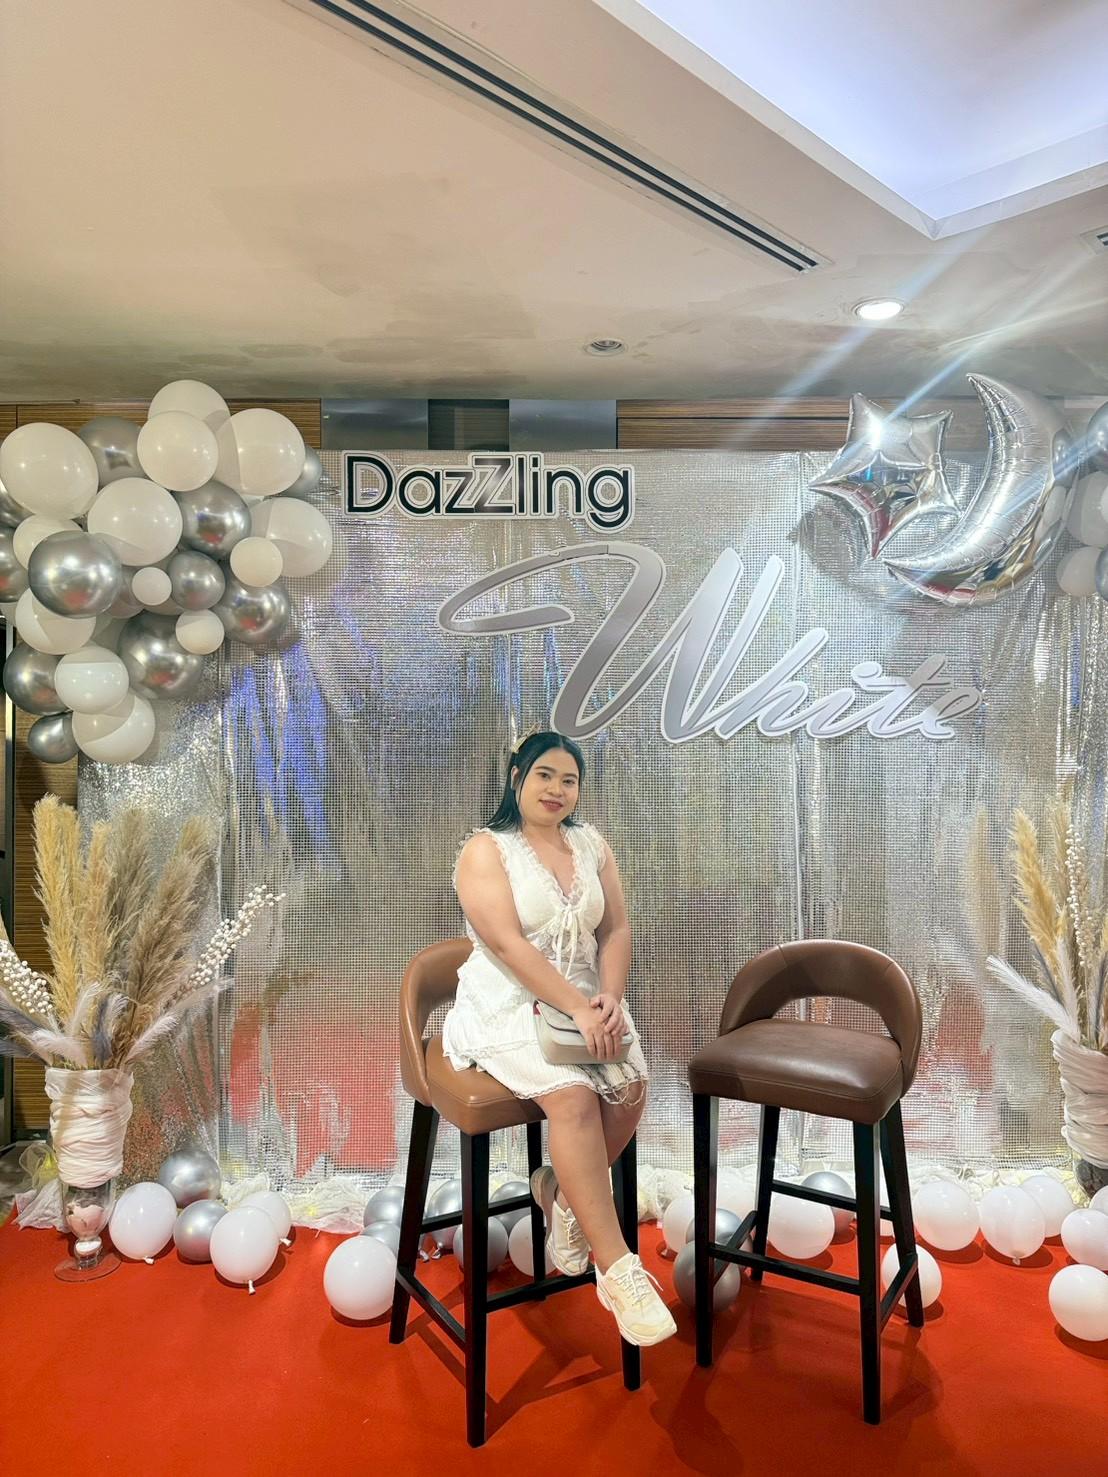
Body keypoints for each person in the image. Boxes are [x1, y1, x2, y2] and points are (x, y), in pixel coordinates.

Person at [442, 730, 676, 1347]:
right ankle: (619, 1271)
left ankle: (562, 1195)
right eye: (544, 775)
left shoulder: (591, 844)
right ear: (517, 776)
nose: (556, 789)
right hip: (508, 1003)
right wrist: (576, 1006)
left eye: (568, 780)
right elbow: (506, 946)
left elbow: (616, 928)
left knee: (631, 1089)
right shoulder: (486, 850)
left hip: (585, 1005)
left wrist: (609, 999)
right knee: (573, 1099)